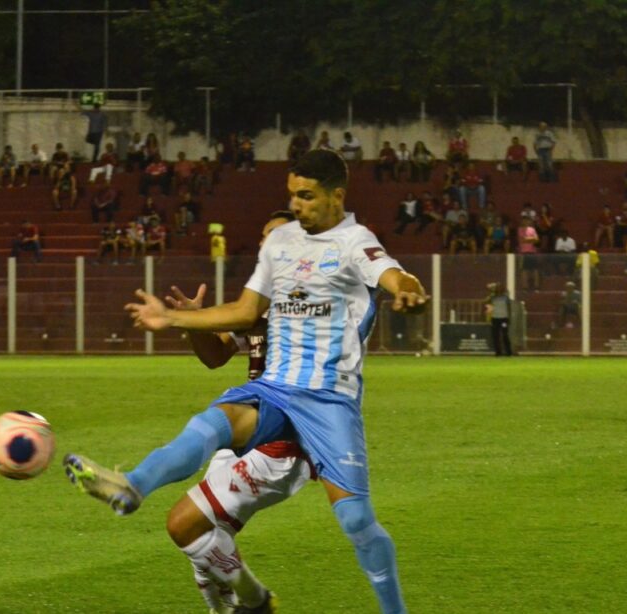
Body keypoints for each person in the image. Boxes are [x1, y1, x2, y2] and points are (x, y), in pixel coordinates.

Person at [64, 150, 422, 614]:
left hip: (328, 399)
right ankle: (132, 486)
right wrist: (176, 317)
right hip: (274, 389)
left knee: (356, 519)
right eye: (292, 194)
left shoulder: (354, 241)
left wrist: (407, 289)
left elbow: (392, 273)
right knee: (212, 423)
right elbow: (246, 310)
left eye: (307, 196)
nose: (297, 204)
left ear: (337, 196)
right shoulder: (280, 246)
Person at [165, 211, 305, 613]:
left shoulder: (312, 300)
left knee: (186, 524)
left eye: (275, 235)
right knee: (205, 537)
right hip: (247, 426)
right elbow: (217, 355)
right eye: (263, 237)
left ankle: (256, 601)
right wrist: (195, 324)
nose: (264, 244)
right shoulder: (258, 299)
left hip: (282, 436)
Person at [484, 283, 513, 356]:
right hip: (495, 318)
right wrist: (491, 292)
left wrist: (509, 317)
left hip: (504, 318)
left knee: (505, 335)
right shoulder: (493, 297)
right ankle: (498, 352)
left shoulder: (505, 297)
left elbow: (509, 307)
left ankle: (508, 352)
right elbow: (485, 301)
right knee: (495, 336)